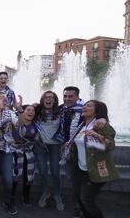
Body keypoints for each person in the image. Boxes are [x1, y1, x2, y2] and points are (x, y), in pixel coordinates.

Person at [71, 100, 118, 218]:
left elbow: (110, 146)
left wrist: (97, 135)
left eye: (89, 106)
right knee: (78, 197)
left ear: (97, 111)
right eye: (85, 105)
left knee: (86, 199)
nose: (85, 107)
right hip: (80, 168)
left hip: (96, 169)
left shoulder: (102, 126)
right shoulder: (82, 125)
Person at [53, 86, 84, 217]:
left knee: (81, 179)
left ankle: (83, 205)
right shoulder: (61, 109)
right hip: (65, 150)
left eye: (70, 96)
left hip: (79, 151)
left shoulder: (84, 110)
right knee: (72, 178)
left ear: (77, 97)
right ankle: (79, 204)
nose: (67, 99)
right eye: (65, 96)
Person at [33, 91, 64, 210]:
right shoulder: (37, 111)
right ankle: (45, 193)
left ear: (55, 100)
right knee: (42, 171)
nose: (49, 99)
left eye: (51, 97)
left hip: (55, 146)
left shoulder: (61, 112)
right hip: (40, 145)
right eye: (46, 97)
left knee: (55, 172)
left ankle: (57, 195)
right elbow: (23, 112)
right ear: (42, 99)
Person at [10, 104, 39, 208]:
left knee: (28, 176)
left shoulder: (36, 125)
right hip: (16, 152)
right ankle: (11, 196)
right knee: (15, 175)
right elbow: (16, 137)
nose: (31, 112)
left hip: (29, 153)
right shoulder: (16, 122)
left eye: (33, 111)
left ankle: (25, 196)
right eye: (28, 110)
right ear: (23, 112)